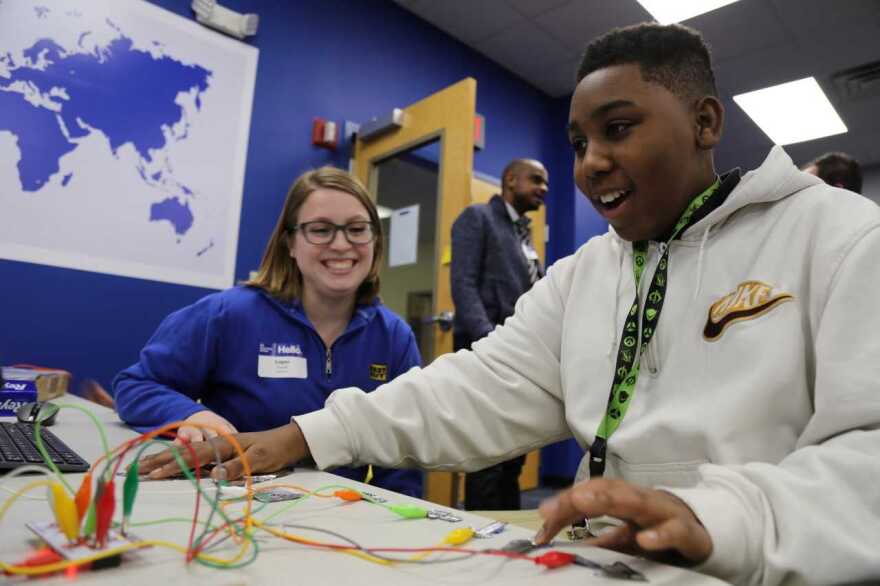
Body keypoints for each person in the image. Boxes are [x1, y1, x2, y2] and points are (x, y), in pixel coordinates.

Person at [139, 23, 880, 585]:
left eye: (617, 129)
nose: (589, 164)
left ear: (706, 123)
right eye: (579, 141)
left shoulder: (841, 239)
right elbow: (473, 384)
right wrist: (303, 435)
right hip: (601, 560)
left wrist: (718, 518)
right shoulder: (588, 272)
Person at [114, 166, 422, 497]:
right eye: (320, 230)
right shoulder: (228, 314)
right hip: (234, 502)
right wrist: (191, 414)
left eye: (357, 229)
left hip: (340, 517)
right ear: (290, 242)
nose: (341, 244)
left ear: (375, 239)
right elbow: (137, 385)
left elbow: (403, 455)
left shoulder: (393, 338)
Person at [450, 157, 548, 510]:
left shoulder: (525, 235)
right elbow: (463, 284)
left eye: (546, 182)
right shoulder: (477, 218)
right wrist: (489, 342)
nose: (544, 189)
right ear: (510, 179)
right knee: (488, 457)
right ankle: (485, 540)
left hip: (521, 356)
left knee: (513, 455)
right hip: (489, 352)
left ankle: (509, 533)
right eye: (536, 180)